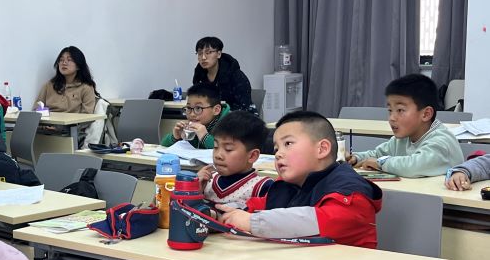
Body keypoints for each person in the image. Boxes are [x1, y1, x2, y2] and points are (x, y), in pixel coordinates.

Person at [219, 111, 382, 248]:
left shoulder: (350, 191)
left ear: (322, 149)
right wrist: (222, 213)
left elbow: (314, 222)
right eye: (276, 148)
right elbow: (257, 206)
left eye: (288, 143)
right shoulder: (288, 185)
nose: (278, 154)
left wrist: (252, 221)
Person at [347, 74, 463, 177]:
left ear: (426, 114)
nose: (392, 118)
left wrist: (380, 163)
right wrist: (355, 158)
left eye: (400, 110)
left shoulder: (442, 142)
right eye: (390, 110)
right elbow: (377, 154)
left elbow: (414, 166)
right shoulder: (402, 139)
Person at [196, 111, 273, 205]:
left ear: (252, 156)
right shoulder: (207, 180)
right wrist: (194, 190)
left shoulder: (262, 187)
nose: (218, 155)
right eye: (216, 147)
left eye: (228, 149)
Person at [192, 36, 252, 112]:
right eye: (200, 53)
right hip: (211, 116)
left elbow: (244, 106)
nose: (203, 57)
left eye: (208, 52)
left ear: (219, 54)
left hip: (238, 116)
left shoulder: (236, 75)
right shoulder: (199, 76)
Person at [161, 85, 229, 149]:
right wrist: (175, 137)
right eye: (188, 108)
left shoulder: (229, 125)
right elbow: (163, 146)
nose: (192, 114)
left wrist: (205, 137)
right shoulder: (194, 124)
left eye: (198, 108)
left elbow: (226, 150)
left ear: (216, 110)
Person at [35, 46, 99, 114]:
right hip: (49, 120)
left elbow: (87, 116)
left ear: (78, 66)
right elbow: (36, 111)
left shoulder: (86, 88)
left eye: (69, 60)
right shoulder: (48, 86)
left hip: (74, 121)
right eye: (61, 60)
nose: (64, 63)